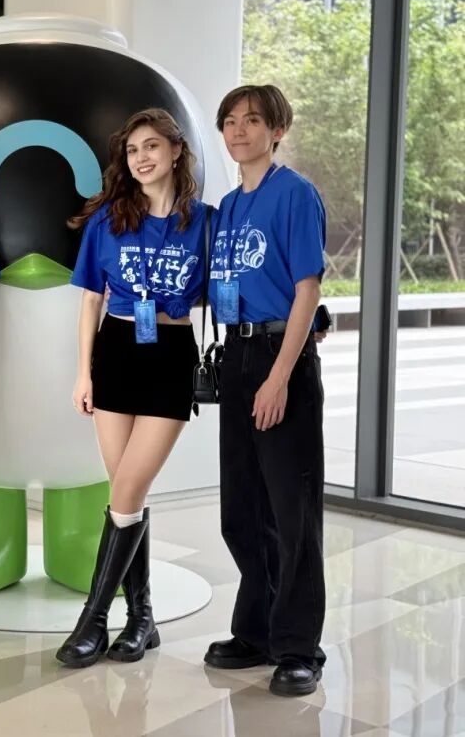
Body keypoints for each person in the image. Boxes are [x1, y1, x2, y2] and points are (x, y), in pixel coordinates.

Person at [56, 108, 211, 669]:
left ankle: (93, 619)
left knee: (127, 489)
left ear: (176, 150)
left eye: (152, 146)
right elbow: (89, 300)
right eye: (132, 150)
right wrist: (83, 371)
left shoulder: (205, 222)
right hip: (117, 351)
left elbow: (234, 284)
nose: (142, 158)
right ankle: (141, 617)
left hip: (170, 354)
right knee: (128, 492)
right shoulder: (109, 219)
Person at [202, 84, 327, 697]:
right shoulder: (228, 206)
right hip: (238, 354)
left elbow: (308, 289)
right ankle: (255, 632)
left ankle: (299, 647)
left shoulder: (295, 194)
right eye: (229, 121)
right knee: (243, 511)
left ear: (277, 130)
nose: (238, 130)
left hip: (283, 359)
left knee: (291, 512)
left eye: (251, 120)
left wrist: (280, 374)